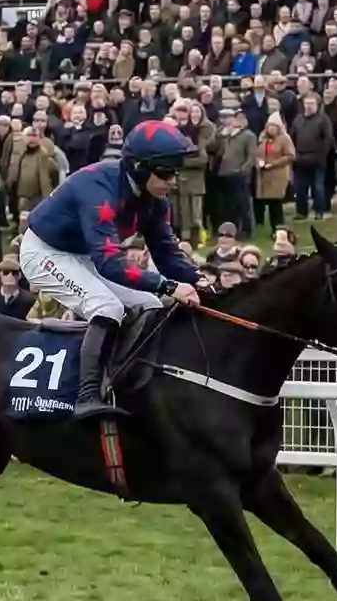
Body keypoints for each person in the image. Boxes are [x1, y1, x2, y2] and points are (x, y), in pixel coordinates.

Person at [17, 119, 205, 421]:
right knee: (106, 306)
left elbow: (167, 254)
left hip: (82, 253)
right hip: (44, 251)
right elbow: (109, 263)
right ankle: (86, 395)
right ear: (140, 168)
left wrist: (200, 280)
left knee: (149, 304)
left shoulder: (154, 201)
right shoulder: (98, 190)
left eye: (176, 172)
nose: (173, 180)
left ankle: (127, 380)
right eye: (166, 173)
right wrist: (170, 286)